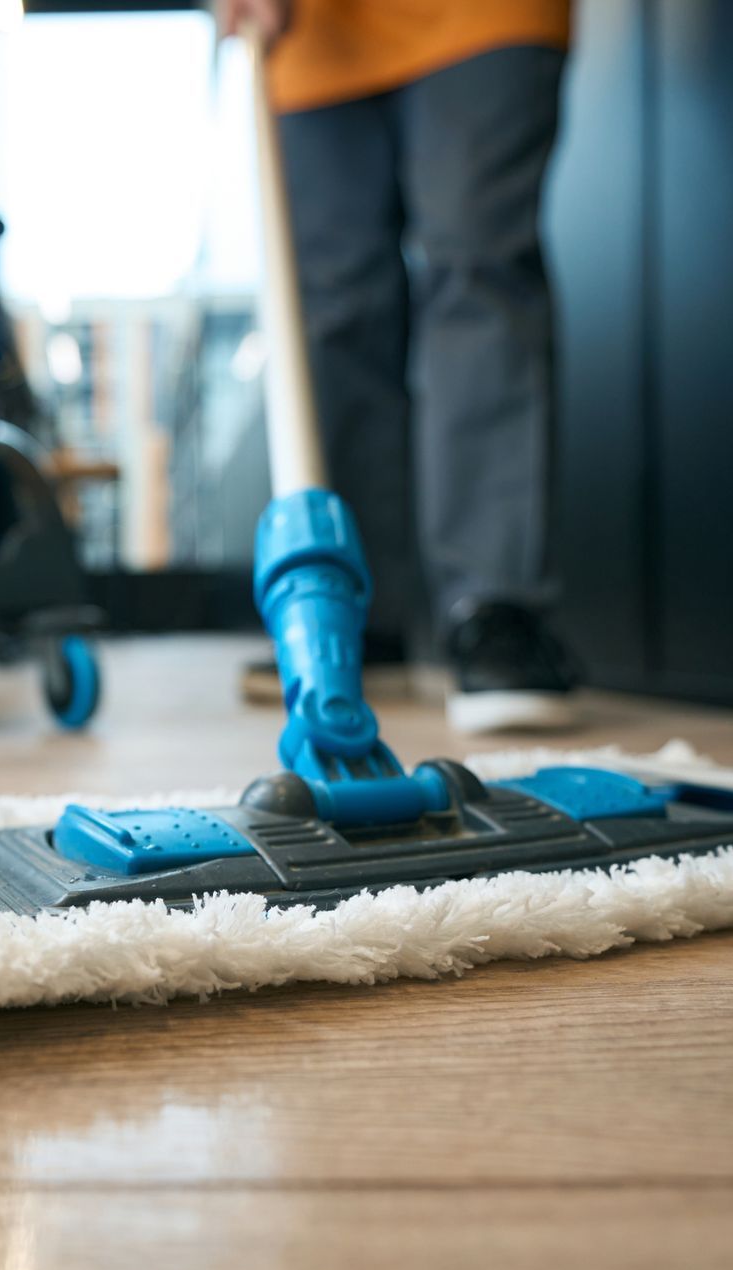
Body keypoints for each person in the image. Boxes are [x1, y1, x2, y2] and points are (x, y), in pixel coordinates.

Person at [220, 0, 582, 733]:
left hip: (480, 19)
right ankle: (355, 614)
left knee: (477, 268)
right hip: (311, 39)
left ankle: (493, 606)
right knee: (334, 314)